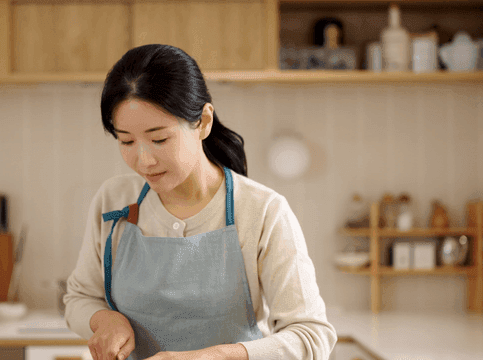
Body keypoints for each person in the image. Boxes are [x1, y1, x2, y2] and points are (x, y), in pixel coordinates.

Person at [64, 44, 337, 360]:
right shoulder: (113, 200)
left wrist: (214, 356)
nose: (144, 160)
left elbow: (311, 336)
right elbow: (79, 297)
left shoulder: (263, 212)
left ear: (203, 122)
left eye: (159, 139)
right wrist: (104, 320)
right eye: (126, 141)